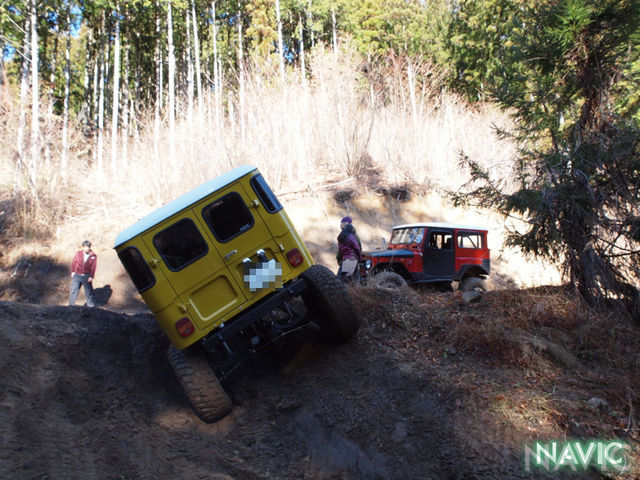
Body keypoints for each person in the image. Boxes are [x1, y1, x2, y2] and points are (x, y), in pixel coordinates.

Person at [69, 240, 97, 307]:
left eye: (87, 247)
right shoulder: (78, 253)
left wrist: (91, 276)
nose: (85, 249)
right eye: (84, 247)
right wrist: (72, 271)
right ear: (82, 247)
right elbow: (74, 262)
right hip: (77, 275)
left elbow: (93, 266)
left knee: (89, 292)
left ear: (89, 247)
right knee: (74, 290)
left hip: (87, 276)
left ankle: (90, 306)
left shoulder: (93, 256)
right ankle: (71, 305)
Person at [336, 216, 361, 283]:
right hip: (352, 259)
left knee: (342, 280)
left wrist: (339, 259)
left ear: (346, 223)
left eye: (341, 223)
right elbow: (358, 248)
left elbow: (358, 248)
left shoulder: (347, 235)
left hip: (348, 260)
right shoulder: (351, 235)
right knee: (354, 280)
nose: (340, 225)